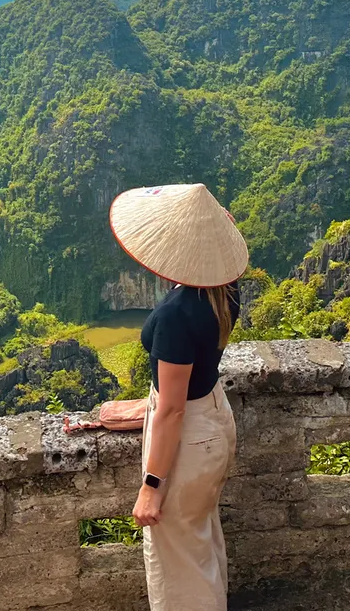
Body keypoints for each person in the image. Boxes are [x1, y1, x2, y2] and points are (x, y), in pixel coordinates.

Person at [109, 183, 248, 611]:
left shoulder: (173, 316)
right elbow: (174, 394)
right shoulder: (226, 290)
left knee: (178, 566)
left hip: (185, 438)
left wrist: (152, 487)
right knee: (198, 542)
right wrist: (146, 404)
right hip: (213, 420)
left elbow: (171, 410)